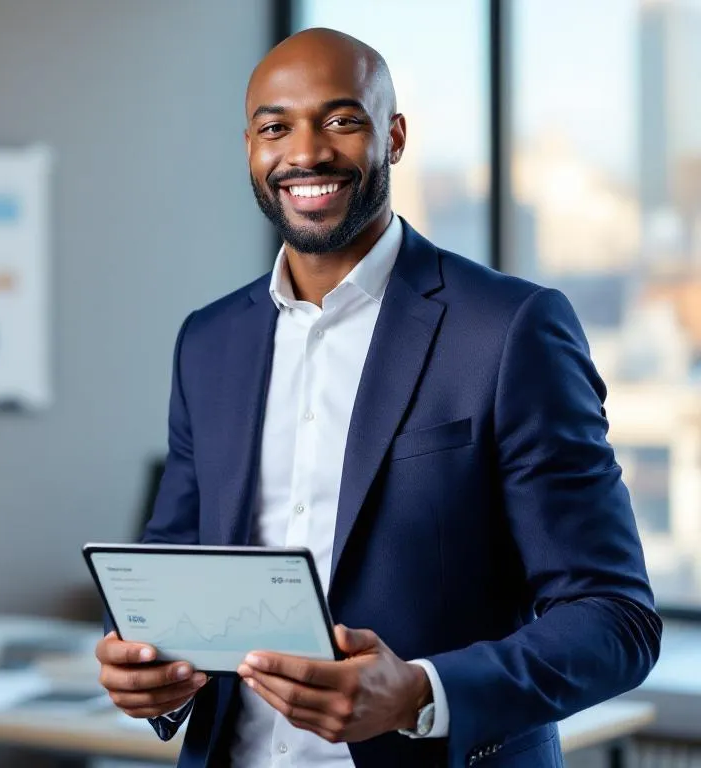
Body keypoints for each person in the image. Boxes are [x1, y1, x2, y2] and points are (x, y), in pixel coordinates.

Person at [93, 27, 662, 768]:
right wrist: (142, 663)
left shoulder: (508, 329)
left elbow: (615, 618)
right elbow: (172, 559)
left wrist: (422, 693)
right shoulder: (209, 342)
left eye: (341, 120)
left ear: (392, 137)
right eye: (276, 127)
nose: (305, 153)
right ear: (250, 149)